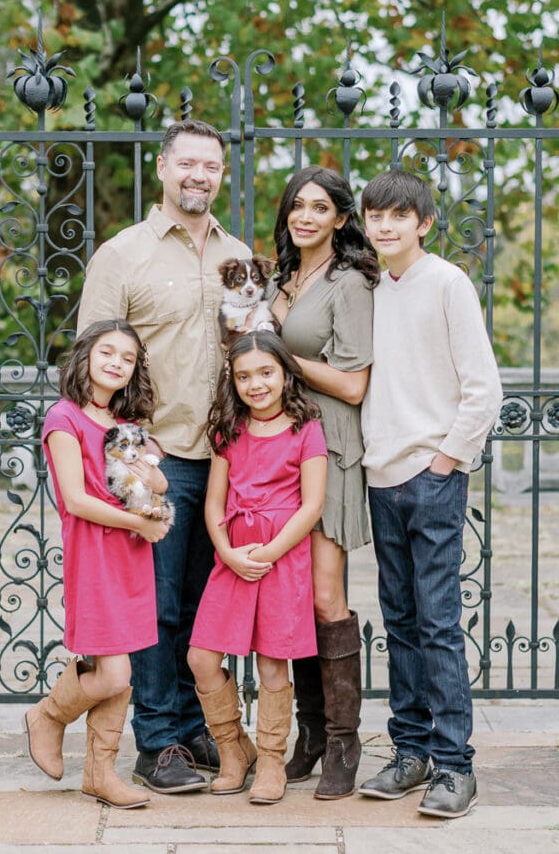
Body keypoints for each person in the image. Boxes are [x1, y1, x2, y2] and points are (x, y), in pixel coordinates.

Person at [76, 120, 250, 794]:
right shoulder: (123, 255)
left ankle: (187, 721)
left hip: (225, 459)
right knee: (155, 605)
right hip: (153, 456)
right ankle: (156, 742)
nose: (198, 175)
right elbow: (95, 359)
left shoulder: (237, 255)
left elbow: (250, 349)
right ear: (163, 169)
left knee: (204, 605)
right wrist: (111, 461)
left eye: (210, 165)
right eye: (187, 163)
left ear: (221, 175)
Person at [358, 170, 502, 819]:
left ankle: (453, 765)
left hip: (431, 477)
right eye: (374, 215)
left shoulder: (445, 282)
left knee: (438, 624)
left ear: (422, 222)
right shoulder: (368, 288)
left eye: (396, 215)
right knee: (401, 624)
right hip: (380, 477)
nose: (384, 225)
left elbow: (482, 388)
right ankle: (409, 752)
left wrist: (443, 460)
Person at [265, 165, 379, 800]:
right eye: (296, 206)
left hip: (331, 444)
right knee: (292, 594)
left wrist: (282, 361)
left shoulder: (349, 284)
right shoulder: (281, 277)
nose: (305, 216)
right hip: (280, 447)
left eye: (320, 207)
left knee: (324, 597)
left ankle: (343, 742)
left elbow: (355, 384)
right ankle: (309, 734)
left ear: (340, 217)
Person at [24, 319, 171, 809]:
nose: (116, 363)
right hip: (96, 553)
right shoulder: (63, 418)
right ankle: (48, 715)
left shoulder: (127, 429)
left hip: (131, 555)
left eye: (127, 359)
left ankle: (100, 773)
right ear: (85, 356)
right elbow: (77, 500)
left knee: (121, 662)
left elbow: (155, 484)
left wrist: (152, 481)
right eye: (107, 352)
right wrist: (139, 524)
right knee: (113, 674)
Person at [187, 330, 328, 804]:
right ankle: (233, 750)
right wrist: (228, 552)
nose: (256, 384)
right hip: (234, 556)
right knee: (201, 657)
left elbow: (311, 507)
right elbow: (213, 504)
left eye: (266, 372)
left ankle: (271, 759)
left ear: (286, 373)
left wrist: (266, 555)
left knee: (272, 663)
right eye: (244, 376)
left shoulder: (306, 428)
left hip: (280, 560)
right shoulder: (228, 430)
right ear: (233, 381)